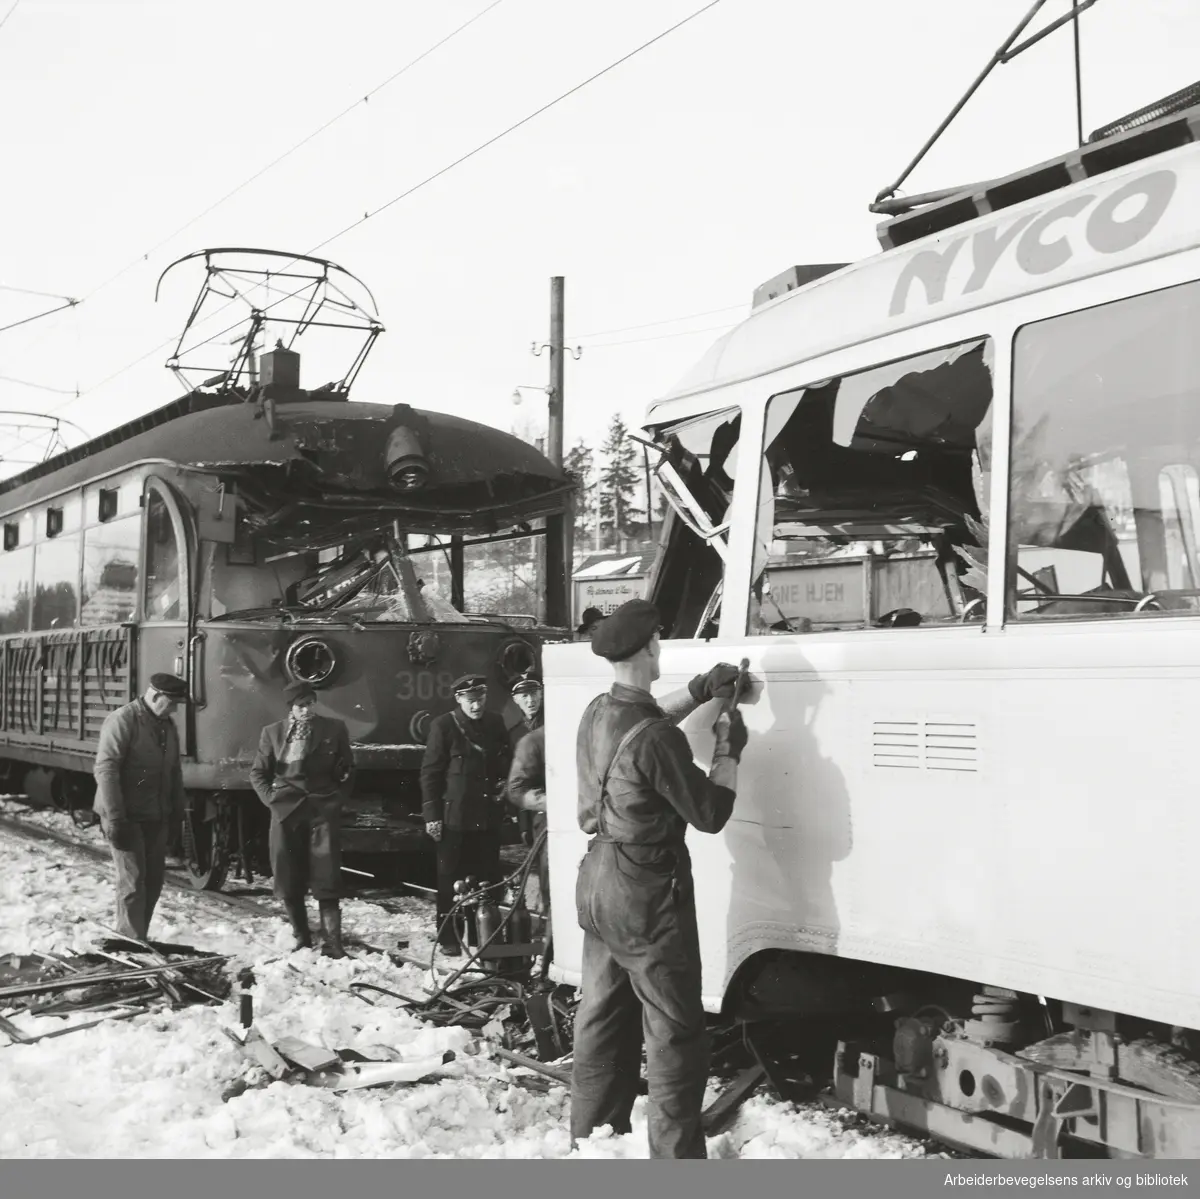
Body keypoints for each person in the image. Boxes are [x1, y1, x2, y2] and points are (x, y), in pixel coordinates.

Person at [571, 597, 749, 1159]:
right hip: (645, 890)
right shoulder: (654, 737)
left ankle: (592, 1137)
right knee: (673, 1026)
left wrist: (698, 691)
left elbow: (644, 720)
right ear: (652, 647)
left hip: (596, 878)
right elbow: (711, 813)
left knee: (600, 1012)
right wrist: (728, 749)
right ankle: (676, 1161)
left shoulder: (598, 709)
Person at [249, 682, 355, 958]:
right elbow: (258, 773)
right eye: (301, 706)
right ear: (291, 709)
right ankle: (302, 937)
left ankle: (333, 942)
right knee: (287, 875)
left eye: (310, 703)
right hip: (286, 812)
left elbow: (348, 768)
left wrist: (337, 800)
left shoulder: (334, 729)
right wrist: (271, 802)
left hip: (322, 811)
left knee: (327, 873)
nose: (307, 710)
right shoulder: (272, 734)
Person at [420, 674, 512, 955]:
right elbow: (431, 774)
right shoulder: (444, 726)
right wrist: (432, 815)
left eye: (480, 699)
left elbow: (504, 761)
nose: (476, 706)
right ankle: (448, 937)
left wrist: (504, 784)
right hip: (454, 817)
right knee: (450, 879)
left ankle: (480, 936)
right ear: (459, 699)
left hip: (486, 815)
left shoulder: (495, 723)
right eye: (470, 701)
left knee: (486, 877)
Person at [93, 673, 189, 943]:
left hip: (155, 816)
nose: (175, 709)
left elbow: (174, 772)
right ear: (156, 696)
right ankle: (129, 942)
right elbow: (106, 770)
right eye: (172, 702)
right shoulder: (122, 720)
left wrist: (177, 812)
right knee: (134, 883)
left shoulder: (166, 726)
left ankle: (138, 938)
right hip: (126, 816)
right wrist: (116, 818)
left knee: (154, 882)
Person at [506, 670, 544, 846]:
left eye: (534, 693)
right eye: (524, 695)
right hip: (527, 805)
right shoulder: (514, 734)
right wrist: (522, 824)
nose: (531, 700)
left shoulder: (553, 724)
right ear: (515, 699)